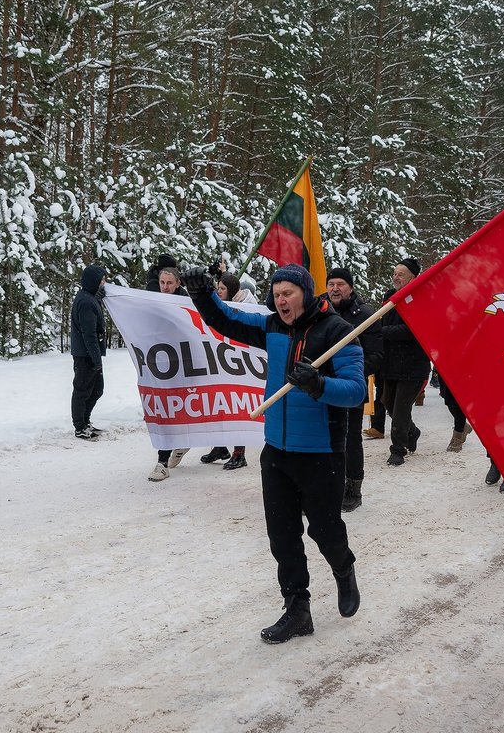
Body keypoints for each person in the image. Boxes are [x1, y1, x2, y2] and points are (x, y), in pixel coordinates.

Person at [183, 262, 365, 644]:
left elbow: (355, 391)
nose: (281, 300)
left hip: (321, 453)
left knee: (325, 531)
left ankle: (343, 569)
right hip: (277, 451)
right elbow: (226, 319)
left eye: (289, 293)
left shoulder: (337, 331)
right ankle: (298, 609)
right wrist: (202, 293)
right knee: (282, 537)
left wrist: (318, 384)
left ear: (306, 294)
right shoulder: (272, 327)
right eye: (277, 293)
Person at [325, 266, 381, 512]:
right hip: (321, 387)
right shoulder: (319, 310)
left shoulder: (365, 315)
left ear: (350, 288)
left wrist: (350, 373)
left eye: (340, 284)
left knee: (350, 439)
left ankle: (353, 487)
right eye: (331, 284)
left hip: (351, 389)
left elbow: (376, 355)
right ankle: (324, 488)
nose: (335, 289)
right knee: (321, 438)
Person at [199, 273, 258, 470]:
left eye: (222, 289)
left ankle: (239, 454)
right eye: (218, 288)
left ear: (231, 291)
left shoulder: (244, 308)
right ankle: (219, 447)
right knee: (220, 405)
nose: (219, 291)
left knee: (237, 408)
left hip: (238, 366)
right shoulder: (218, 309)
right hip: (220, 362)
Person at [381, 258, 431, 465]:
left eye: (401, 274)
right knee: (388, 403)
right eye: (394, 273)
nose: (396, 277)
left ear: (412, 278)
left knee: (401, 410)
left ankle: (398, 450)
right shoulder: (389, 297)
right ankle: (412, 431)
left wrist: (381, 332)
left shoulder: (421, 298)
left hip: (413, 364)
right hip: (391, 362)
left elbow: (413, 330)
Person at [147, 266, 191, 481]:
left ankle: (172, 452)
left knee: (179, 408)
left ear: (178, 283)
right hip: (161, 363)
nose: (165, 287)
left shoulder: (186, 303)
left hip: (183, 363)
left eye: (169, 283)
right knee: (164, 409)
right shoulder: (153, 299)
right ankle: (165, 459)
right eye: (162, 283)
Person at [70, 264, 108, 441]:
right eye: (102, 280)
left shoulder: (90, 297)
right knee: (82, 391)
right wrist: (95, 358)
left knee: (97, 390)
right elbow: (89, 333)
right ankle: (80, 427)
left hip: (90, 353)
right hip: (85, 355)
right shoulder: (86, 302)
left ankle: (86, 421)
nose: (104, 283)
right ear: (94, 281)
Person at [439, 377, 472, 452]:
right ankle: (464, 426)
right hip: (444, 372)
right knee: (446, 397)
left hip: (460, 373)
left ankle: (457, 437)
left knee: (457, 401)